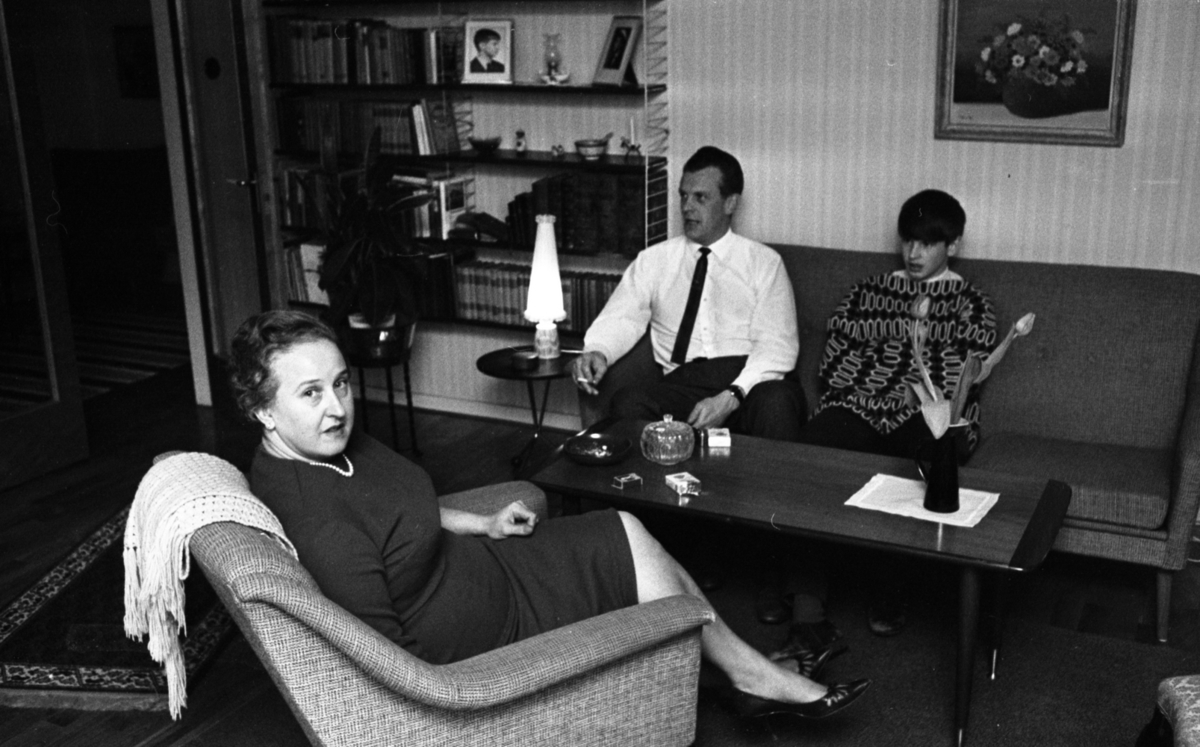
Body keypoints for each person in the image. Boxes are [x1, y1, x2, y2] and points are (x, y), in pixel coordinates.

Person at [228, 310, 871, 720]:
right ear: (262, 410)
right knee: (640, 569)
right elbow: (386, 669)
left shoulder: (326, 447)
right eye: (310, 393)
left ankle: (739, 673)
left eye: (340, 382)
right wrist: (475, 693)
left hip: (488, 571)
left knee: (623, 528)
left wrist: (479, 524)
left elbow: (396, 514)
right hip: (482, 639)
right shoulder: (315, 518)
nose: (337, 407)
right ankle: (751, 675)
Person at [769, 189, 997, 655]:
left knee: (922, 455)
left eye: (927, 244)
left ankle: (891, 588)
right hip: (858, 405)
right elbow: (833, 362)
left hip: (930, 411)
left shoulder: (971, 303)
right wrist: (875, 389)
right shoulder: (868, 292)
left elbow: (965, 378)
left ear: (953, 245)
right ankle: (806, 603)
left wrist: (914, 388)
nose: (914, 253)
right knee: (811, 452)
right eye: (908, 241)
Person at [570, 146, 806, 442]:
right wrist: (598, 350)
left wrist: (732, 395)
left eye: (700, 198)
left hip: (748, 383)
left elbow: (776, 347)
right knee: (628, 403)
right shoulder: (654, 260)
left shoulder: (764, 263)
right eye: (683, 196)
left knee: (777, 402)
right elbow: (622, 316)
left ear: (730, 203)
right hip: (683, 384)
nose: (687, 207)